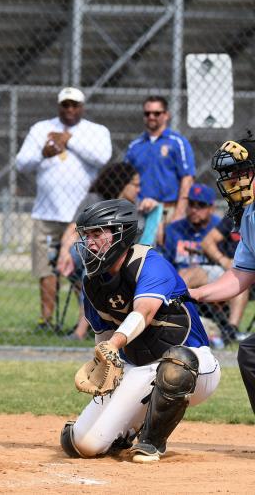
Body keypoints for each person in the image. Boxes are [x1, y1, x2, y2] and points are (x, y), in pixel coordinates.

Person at [60, 199, 220, 463]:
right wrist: (104, 363)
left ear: (121, 234)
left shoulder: (150, 263)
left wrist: (115, 344)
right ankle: (124, 432)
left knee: (175, 366)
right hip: (142, 367)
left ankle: (152, 441)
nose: (89, 242)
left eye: (97, 233)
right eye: (86, 235)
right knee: (82, 444)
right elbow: (103, 336)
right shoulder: (93, 283)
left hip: (195, 365)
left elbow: (143, 313)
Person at [15, 86, 112, 333]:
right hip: (47, 213)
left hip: (83, 216)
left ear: (82, 107)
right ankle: (46, 321)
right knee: (46, 269)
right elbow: (21, 163)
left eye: (74, 105)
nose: (70, 109)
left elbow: (103, 158)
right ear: (59, 106)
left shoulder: (95, 131)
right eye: (65, 105)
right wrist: (43, 153)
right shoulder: (40, 128)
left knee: (83, 268)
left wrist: (71, 141)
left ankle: (87, 321)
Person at [188, 136, 255, 414]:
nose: (232, 181)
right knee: (250, 355)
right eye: (228, 175)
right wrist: (195, 293)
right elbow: (241, 274)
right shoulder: (249, 215)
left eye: (240, 173)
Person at [55, 162, 150, 340]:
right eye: (135, 184)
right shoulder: (95, 199)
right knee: (78, 252)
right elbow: (73, 229)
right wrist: (64, 253)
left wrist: (152, 208)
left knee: (92, 265)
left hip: (119, 260)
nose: (139, 189)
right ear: (122, 182)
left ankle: (80, 331)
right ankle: (93, 314)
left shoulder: (135, 208)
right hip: (91, 253)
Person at [124, 95, 195, 224]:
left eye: (156, 113)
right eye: (147, 113)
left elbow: (187, 178)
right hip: (140, 210)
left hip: (168, 209)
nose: (151, 116)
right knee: (140, 245)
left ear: (166, 115)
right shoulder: (135, 146)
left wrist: (179, 213)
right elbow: (124, 178)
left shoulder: (178, 143)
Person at [200, 216, 248, 342]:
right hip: (225, 267)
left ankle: (230, 331)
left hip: (247, 272)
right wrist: (223, 260)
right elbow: (207, 242)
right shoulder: (237, 215)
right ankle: (175, 316)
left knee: (240, 277)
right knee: (189, 273)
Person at [162, 183, 220, 275]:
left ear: (212, 208)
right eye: (191, 204)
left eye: (201, 205)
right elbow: (165, 263)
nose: (194, 210)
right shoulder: (173, 229)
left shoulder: (220, 229)